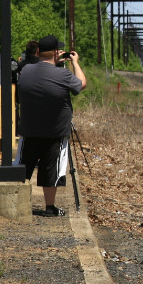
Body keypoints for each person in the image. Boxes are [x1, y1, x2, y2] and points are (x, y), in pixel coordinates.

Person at [16, 35, 86, 217]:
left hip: (29, 131)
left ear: (38, 51)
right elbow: (81, 85)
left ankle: (16, 203)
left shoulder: (26, 71)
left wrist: (54, 62)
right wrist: (74, 62)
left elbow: (39, 74)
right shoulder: (63, 75)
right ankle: (50, 207)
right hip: (55, 132)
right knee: (51, 169)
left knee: (23, 167)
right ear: (56, 53)